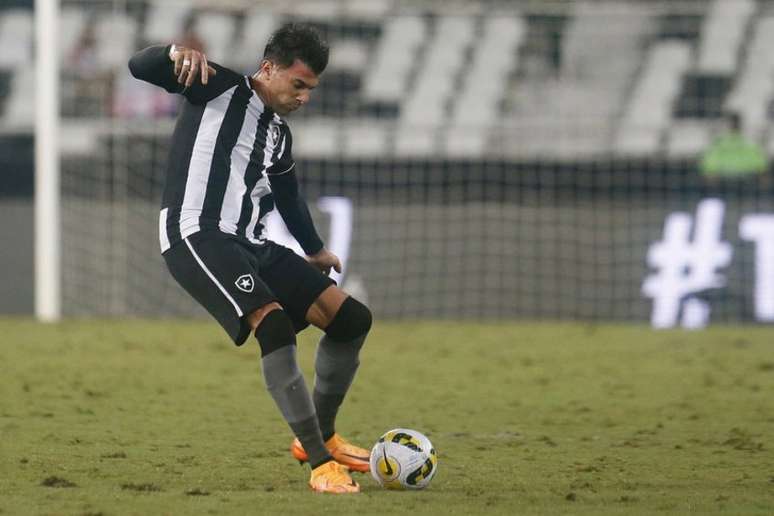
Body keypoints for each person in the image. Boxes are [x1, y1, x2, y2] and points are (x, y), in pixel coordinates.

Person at [128, 23, 371, 494]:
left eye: (311, 90)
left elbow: (288, 196)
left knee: (351, 318)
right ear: (268, 68)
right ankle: (321, 464)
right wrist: (171, 53)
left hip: (250, 242)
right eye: (297, 84)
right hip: (196, 233)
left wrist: (315, 249)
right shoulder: (215, 84)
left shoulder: (279, 135)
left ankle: (319, 434)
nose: (304, 97)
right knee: (274, 323)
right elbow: (140, 67)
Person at [700, 111, 768, 180]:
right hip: (724, 181)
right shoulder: (718, 143)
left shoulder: (750, 142)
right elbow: (708, 167)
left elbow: (761, 168)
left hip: (746, 181)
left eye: (735, 123)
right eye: (732, 123)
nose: (734, 125)